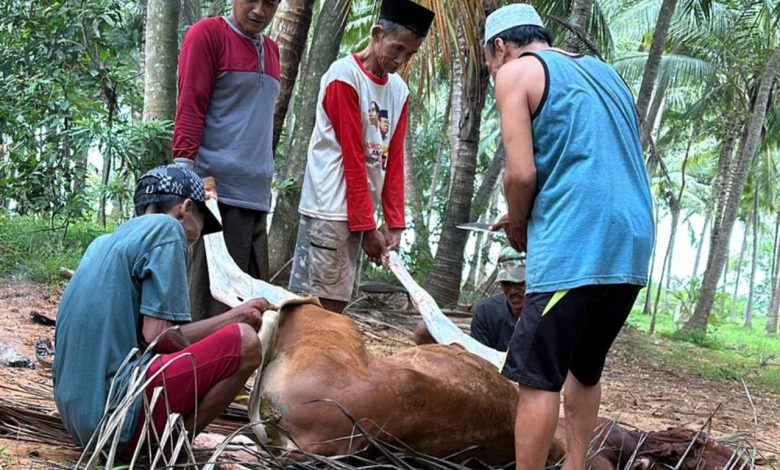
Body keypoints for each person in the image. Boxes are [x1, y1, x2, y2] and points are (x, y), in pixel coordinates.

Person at [483, 4, 654, 469]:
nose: (494, 70)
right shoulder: (604, 73)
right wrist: (524, 216)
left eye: (490, 61)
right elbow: (593, 159)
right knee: (585, 365)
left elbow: (519, 175)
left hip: (576, 244)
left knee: (539, 379)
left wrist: (520, 224)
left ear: (501, 47)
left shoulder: (516, 72)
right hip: (631, 242)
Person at [52, 164, 274, 457]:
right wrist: (218, 354)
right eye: (199, 224)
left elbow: (152, 335)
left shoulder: (103, 243)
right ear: (185, 208)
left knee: (238, 329)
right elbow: (160, 337)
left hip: (78, 418)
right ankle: (173, 449)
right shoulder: (168, 229)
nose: (196, 237)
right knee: (245, 343)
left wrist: (236, 316)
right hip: (116, 420)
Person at [288, 0, 435, 313]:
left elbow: (392, 159)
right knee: (320, 309)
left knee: (335, 305)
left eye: (410, 54)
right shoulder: (343, 77)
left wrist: (394, 222)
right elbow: (352, 158)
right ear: (377, 33)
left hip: (359, 213)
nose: (401, 60)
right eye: (397, 49)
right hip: (331, 209)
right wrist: (368, 227)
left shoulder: (399, 91)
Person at [172, 0, 281, 321]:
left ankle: (230, 371)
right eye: (253, 0)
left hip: (256, 197)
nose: (260, 11)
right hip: (214, 193)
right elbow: (190, 106)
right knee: (209, 308)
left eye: (271, 3)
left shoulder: (272, 51)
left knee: (254, 310)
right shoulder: (207, 35)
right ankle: (188, 371)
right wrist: (183, 180)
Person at [414, 246, 527, 352]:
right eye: (506, 283)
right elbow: (479, 358)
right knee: (424, 329)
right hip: (493, 369)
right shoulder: (486, 311)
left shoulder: (542, 312)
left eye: (520, 282)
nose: (513, 291)